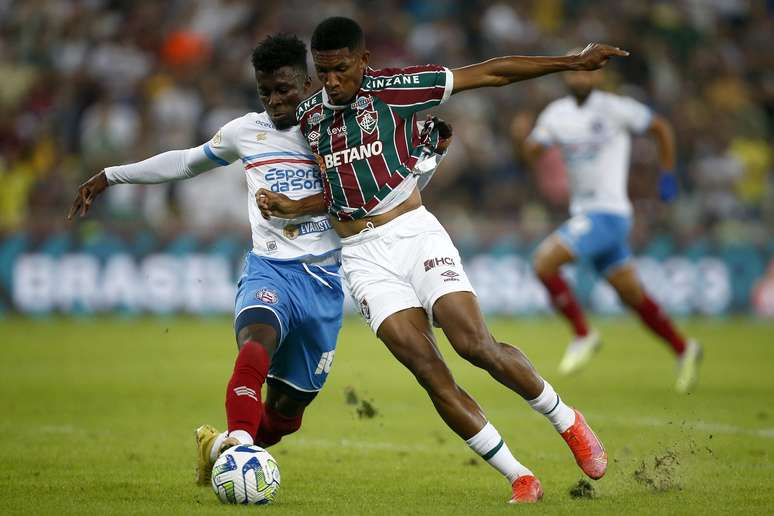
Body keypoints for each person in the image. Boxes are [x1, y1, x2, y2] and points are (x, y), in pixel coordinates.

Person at [257, 16, 626, 504]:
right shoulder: (309, 117)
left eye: (341, 70)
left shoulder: (398, 89)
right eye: (323, 72)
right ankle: (520, 476)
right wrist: (293, 207)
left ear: (363, 61)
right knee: (429, 370)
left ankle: (567, 420)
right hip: (363, 258)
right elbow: (339, 190)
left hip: (414, 234)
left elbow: (493, 72)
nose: (332, 82)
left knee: (474, 344)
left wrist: (571, 61)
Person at [512, 65, 702, 392]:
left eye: (586, 73)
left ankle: (583, 334)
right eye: (574, 73)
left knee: (544, 263)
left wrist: (667, 174)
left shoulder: (616, 108)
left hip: (608, 213)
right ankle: (685, 348)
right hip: (587, 212)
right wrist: (520, 139)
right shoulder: (557, 114)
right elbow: (532, 154)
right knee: (632, 296)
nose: (580, 79)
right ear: (566, 77)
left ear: (597, 76)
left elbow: (660, 127)